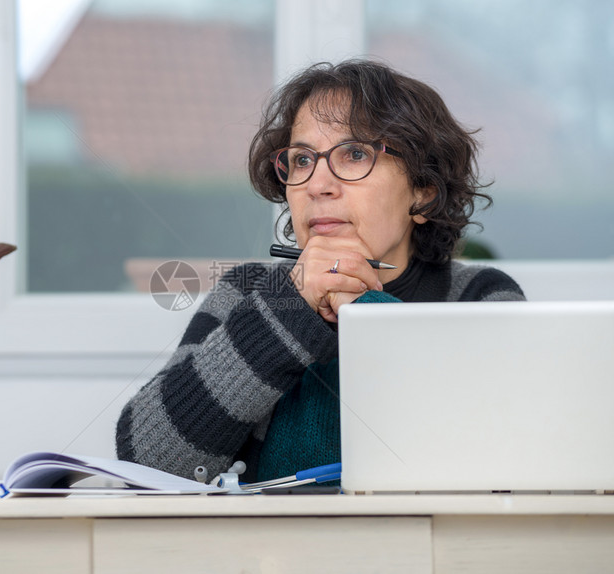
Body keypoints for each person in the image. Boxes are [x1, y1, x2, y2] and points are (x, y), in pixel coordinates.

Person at [115, 59, 524, 483]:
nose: (317, 184)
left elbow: (503, 457)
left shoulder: (480, 297)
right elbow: (146, 463)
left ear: (423, 193)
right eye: (302, 160)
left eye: (354, 154)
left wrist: (368, 309)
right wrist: (289, 310)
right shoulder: (246, 293)